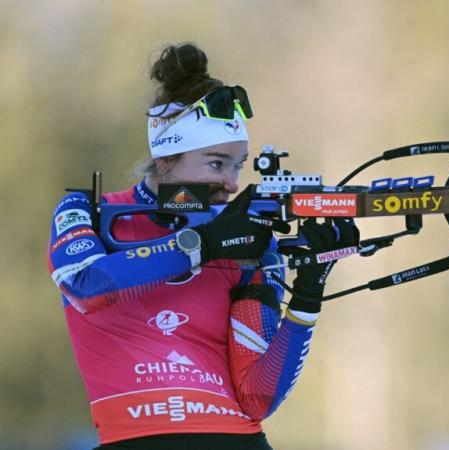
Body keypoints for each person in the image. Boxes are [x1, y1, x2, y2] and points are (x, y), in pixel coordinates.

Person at [47, 43, 358, 450]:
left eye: (237, 166)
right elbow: (87, 286)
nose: (231, 182)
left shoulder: (246, 243)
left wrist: (307, 294)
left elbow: (257, 396)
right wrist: (203, 244)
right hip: (138, 436)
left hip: (236, 438)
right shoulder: (89, 210)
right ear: (165, 160)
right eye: (216, 163)